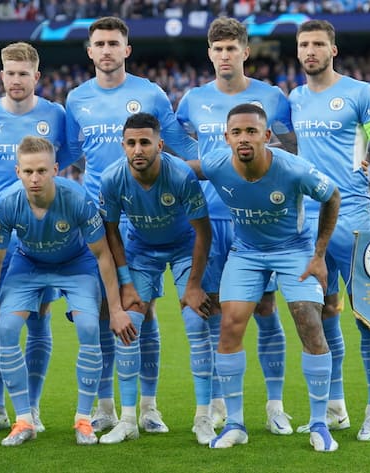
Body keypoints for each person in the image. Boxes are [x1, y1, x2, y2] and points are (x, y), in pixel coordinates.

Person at [65, 16, 198, 434]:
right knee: (105, 310)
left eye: (113, 43)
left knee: (143, 309)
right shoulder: (76, 99)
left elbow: (179, 145)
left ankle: (149, 407)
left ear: (127, 49)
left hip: (143, 217)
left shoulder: (151, 93)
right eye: (99, 43)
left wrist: (229, 162)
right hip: (97, 219)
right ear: (90, 51)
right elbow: (69, 152)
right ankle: (105, 405)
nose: (106, 50)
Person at [185, 103, 341, 452]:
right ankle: (236, 424)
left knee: (309, 322)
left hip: (294, 249)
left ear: (266, 136)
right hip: (247, 251)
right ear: (226, 137)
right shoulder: (216, 164)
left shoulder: (292, 168)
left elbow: (332, 195)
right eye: (237, 132)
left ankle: (319, 424)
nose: (244, 138)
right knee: (230, 325)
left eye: (252, 131)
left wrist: (319, 255)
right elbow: (179, 169)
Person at [175, 16, 298, 434]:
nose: (225, 55)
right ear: (209, 53)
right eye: (218, 49)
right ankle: (216, 405)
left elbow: (292, 149)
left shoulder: (273, 98)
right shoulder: (192, 100)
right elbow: (180, 145)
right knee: (212, 311)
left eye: (232, 48)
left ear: (246, 52)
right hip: (210, 219)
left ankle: (275, 405)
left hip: (258, 221)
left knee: (265, 308)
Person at [0, 135, 135, 446]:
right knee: (6, 329)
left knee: (89, 326)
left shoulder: (77, 199)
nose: (35, 178)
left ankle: (83, 420)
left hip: (75, 264)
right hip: (29, 263)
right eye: (28, 171)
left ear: (55, 169)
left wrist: (116, 310)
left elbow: (103, 255)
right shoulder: (8, 203)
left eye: (42, 170)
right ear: (17, 171)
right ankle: (24, 420)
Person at [289, 19, 370, 442]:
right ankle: (335, 408)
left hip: (354, 218)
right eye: (304, 44)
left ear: (333, 50)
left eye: (319, 44)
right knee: (322, 313)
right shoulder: (294, 99)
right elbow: (288, 150)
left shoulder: (359, 93)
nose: (311, 50)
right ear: (297, 51)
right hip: (309, 223)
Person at [0, 41, 73, 435]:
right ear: (1, 74)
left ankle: (33, 406)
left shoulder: (55, 114)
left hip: (40, 232)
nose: (16, 79)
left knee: (39, 321)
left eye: (23, 73)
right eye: (10, 72)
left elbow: (65, 157)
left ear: (36, 76)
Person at [98, 113, 214, 445]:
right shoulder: (112, 178)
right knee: (129, 325)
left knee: (196, 322)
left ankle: (203, 418)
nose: (138, 149)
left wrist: (193, 285)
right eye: (131, 143)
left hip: (184, 248)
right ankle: (130, 419)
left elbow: (203, 231)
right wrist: (126, 282)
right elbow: (111, 232)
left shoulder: (180, 175)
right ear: (123, 145)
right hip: (141, 250)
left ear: (160, 145)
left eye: (145, 142)